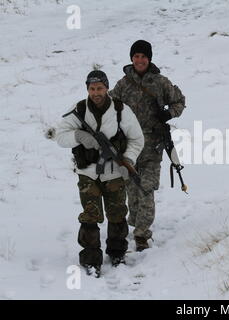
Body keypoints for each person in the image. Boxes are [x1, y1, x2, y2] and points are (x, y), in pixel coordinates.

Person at [56, 70, 144, 276]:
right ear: (87, 89)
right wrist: (78, 136)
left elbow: (137, 139)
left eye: (100, 88)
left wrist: (128, 160)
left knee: (117, 214)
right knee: (90, 216)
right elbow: (61, 136)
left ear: (106, 88)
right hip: (88, 173)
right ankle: (91, 259)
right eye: (92, 88)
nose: (96, 92)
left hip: (114, 173)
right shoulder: (78, 110)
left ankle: (117, 253)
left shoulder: (121, 110)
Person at [109, 40, 186, 251]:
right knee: (131, 191)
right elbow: (108, 107)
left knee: (147, 188)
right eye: (136, 56)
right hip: (129, 147)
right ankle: (135, 222)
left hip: (153, 145)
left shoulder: (161, 82)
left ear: (149, 58)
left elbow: (179, 102)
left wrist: (168, 113)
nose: (140, 60)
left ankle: (142, 235)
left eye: (143, 56)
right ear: (131, 58)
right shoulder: (123, 84)